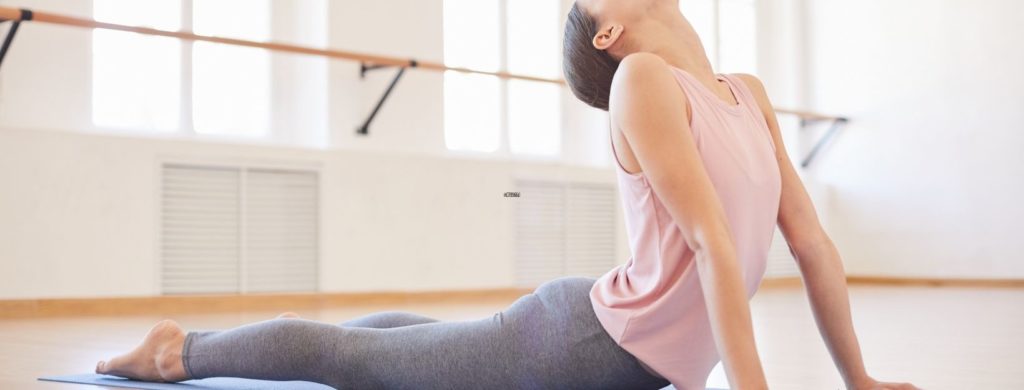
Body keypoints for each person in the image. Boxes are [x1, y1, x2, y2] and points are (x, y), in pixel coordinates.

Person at [96, 1, 920, 389]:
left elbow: (810, 243)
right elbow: (712, 243)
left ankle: (254, 345)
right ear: (609, 33)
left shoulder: (745, 91)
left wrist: (863, 383)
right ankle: (179, 350)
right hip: (577, 345)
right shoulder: (640, 78)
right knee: (350, 362)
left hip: (592, 335)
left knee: (393, 350)